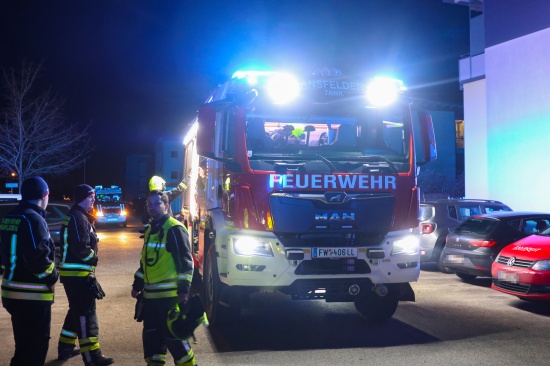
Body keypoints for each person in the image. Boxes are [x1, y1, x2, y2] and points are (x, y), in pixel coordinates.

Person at [131, 190, 197, 366]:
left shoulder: (174, 229)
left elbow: (185, 261)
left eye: (156, 203)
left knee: (176, 342)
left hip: (169, 298)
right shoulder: (151, 229)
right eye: (149, 204)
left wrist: (183, 290)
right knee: (153, 342)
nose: (152, 207)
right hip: (151, 299)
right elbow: (145, 262)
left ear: (166, 206)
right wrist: (137, 285)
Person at [0, 176, 59, 366]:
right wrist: (52, 276)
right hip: (32, 297)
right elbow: (40, 259)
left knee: (23, 348)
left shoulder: (9, 217)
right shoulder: (34, 219)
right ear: (45, 195)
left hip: (11, 293)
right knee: (35, 351)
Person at [57, 184, 114, 366]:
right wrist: (93, 259)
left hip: (73, 274)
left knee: (76, 310)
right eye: (91, 197)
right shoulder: (79, 218)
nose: (94, 201)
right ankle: (92, 356)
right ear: (82, 198)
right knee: (86, 315)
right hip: (79, 275)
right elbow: (81, 248)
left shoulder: (75, 216)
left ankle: (65, 348)